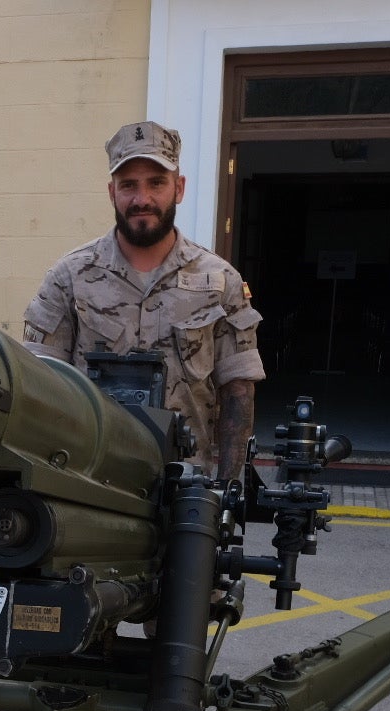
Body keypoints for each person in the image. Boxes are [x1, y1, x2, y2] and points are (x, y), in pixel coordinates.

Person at [22, 120, 265, 481]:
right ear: (112, 192)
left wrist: (227, 492)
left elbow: (238, 391)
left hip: (186, 487)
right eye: (128, 185)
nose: (142, 199)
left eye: (156, 183)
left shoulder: (219, 281)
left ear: (178, 188)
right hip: (89, 483)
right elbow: (39, 384)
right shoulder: (69, 277)